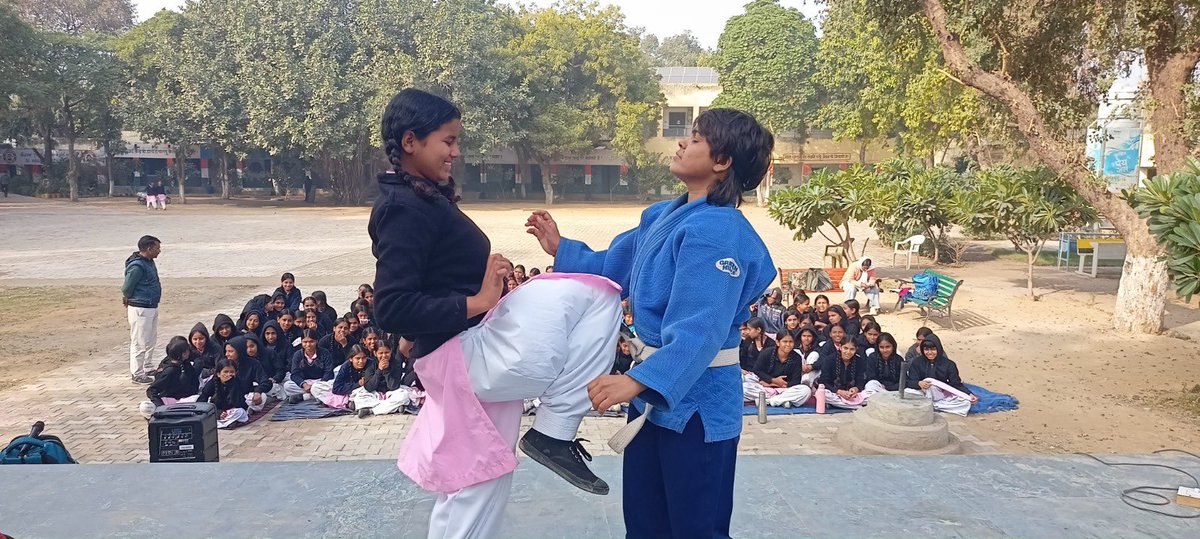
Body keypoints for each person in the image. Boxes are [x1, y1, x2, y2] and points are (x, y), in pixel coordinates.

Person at [373, 89, 624, 539]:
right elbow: (390, 306)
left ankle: (554, 430)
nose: (456, 151)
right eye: (447, 141)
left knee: (477, 480)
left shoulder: (422, 198)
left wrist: (474, 290)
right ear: (411, 141)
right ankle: (555, 429)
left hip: (462, 348)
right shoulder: (404, 209)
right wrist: (479, 301)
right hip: (464, 352)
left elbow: (422, 288)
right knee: (596, 294)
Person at [530, 107, 775, 539]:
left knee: (696, 529)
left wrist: (637, 381)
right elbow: (618, 263)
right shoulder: (663, 215)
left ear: (723, 162)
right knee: (645, 525)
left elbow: (702, 329)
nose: (682, 142)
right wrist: (562, 249)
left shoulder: (719, 233)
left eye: (696, 138)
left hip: (698, 406)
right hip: (651, 398)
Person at [123, 235, 162, 384]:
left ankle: (147, 366)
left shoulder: (149, 262)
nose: (159, 251)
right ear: (149, 248)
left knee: (150, 339)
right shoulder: (137, 266)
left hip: (151, 306)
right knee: (139, 341)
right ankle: (137, 372)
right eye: (157, 248)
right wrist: (129, 297)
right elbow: (127, 287)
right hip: (140, 308)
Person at [906, 333, 977, 415]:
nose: (929, 352)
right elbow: (910, 381)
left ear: (938, 349)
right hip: (922, 393)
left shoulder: (949, 364)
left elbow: (956, 384)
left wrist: (968, 394)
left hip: (940, 395)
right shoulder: (917, 362)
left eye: (933, 349)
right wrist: (919, 383)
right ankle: (932, 405)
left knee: (965, 402)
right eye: (926, 349)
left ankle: (930, 406)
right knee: (908, 392)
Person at [742, 332, 811, 409]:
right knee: (743, 387)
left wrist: (778, 384)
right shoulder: (767, 353)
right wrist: (772, 380)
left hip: (784, 389)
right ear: (778, 342)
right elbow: (757, 370)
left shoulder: (796, 358)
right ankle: (783, 401)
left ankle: (768, 401)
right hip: (764, 387)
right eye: (785, 342)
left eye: (791, 342)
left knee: (806, 390)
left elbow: (796, 381)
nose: (788, 345)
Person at [138, 336, 200, 419]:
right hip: (168, 402)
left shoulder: (187, 365)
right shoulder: (170, 370)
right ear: (183, 353)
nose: (189, 353)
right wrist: (160, 405)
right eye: (187, 351)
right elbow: (152, 390)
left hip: (186, 401)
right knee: (145, 407)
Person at [353, 340, 415, 417]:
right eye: (380, 353)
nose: (384, 356)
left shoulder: (396, 363)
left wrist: (386, 371)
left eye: (386, 352)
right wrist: (379, 370)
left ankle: (370, 410)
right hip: (375, 393)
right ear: (375, 353)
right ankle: (392, 408)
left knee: (404, 395)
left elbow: (393, 387)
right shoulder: (370, 365)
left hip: (391, 393)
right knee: (359, 397)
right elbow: (369, 387)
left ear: (391, 351)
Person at [818, 340, 879, 410]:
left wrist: (856, 389)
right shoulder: (829, 360)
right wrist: (839, 391)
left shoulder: (860, 361)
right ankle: (857, 407)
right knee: (823, 394)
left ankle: (842, 405)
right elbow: (823, 382)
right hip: (835, 393)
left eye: (852, 349)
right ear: (840, 347)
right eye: (845, 348)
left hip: (853, 395)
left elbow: (861, 380)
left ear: (856, 349)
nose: (848, 352)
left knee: (873, 394)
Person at [283, 329, 336, 403]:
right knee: (287, 386)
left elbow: (329, 373)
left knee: (333, 384)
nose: (308, 345)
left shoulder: (325, 353)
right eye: (305, 342)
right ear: (301, 342)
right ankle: (318, 395)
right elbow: (295, 374)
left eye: (311, 341)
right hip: (305, 383)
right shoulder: (298, 355)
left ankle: (306, 397)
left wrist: (318, 384)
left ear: (316, 341)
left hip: (320, 382)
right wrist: (304, 384)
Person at [197, 360, 250, 429]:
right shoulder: (213, 383)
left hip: (233, 411)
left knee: (240, 412)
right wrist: (219, 413)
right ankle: (227, 423)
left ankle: (224, 423)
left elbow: (240, 404)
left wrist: (231, 385)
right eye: (225, 372)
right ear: (218, 374)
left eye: (231, 372)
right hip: (218, 412)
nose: (228, 375)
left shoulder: (239, 383)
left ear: (236, 373)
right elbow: (203, 399)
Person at [323, 344, 373, 410]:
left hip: (363, 392)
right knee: (316, 387)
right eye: (358, 358)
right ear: (351, 359)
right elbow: (336, 388)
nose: (361, 361)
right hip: (348, 389)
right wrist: (358, 384)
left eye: (364, 358)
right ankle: (349, 403)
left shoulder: (371, 364)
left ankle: (349, 403)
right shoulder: (346, 366)